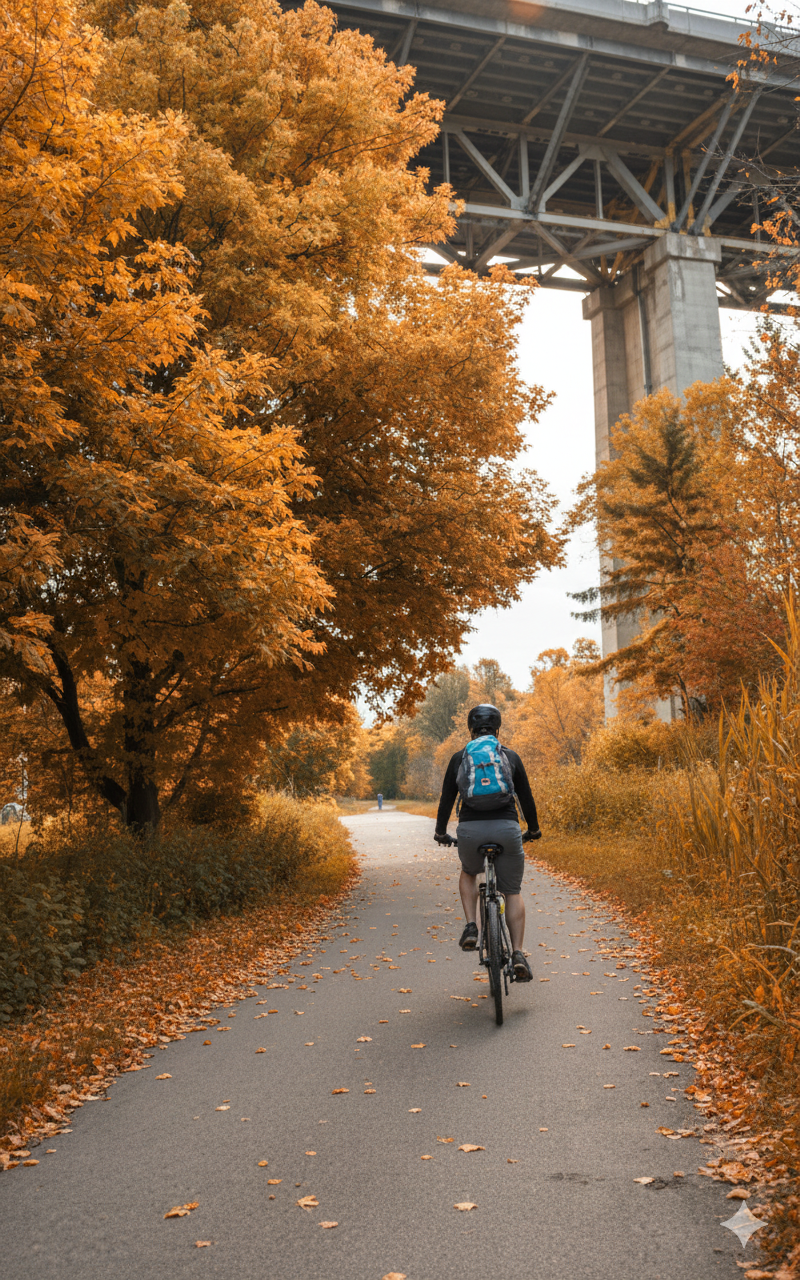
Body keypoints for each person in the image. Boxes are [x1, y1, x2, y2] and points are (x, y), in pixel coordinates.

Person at [434, 703, 541, 982]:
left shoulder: (460, 757)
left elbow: (446, 800)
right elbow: (526, 799)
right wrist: (534, 829)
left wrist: (441, 832)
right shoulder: (510, 756)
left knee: (470, 872)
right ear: (497, 728)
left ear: (471, 729)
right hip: (507, 827)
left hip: (470, 830)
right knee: (513, 891)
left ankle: (472, 926)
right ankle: (518, 953)